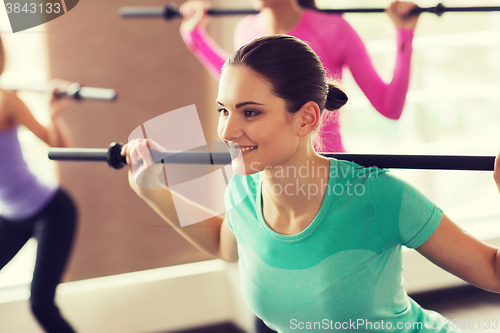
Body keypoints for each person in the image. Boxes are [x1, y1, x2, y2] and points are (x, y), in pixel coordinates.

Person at [123, 35, 500, 333]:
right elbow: (228, 246)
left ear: (305, 119)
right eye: (224, 110)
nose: (226, 130)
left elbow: (494, 273)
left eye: (250, 112)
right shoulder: (242, 191)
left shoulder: (377, 196)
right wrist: (151, 186)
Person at [179, 0, 420, 152]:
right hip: (271, 168)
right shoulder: (247, 30)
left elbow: (390, 106)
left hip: (328, 168)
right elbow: (235, 79)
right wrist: (195, 37)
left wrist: (405, 32)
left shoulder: (334, 29)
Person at [0, 36, 77, 333]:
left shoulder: (7, 101)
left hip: (51, 212)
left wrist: (54, 113)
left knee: (41, 306)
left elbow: (61, 149)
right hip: (11, 217)